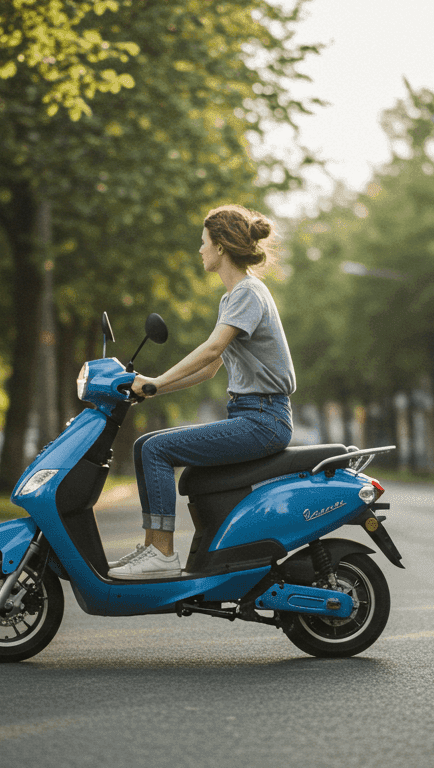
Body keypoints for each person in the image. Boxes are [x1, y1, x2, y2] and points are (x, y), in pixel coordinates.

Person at [108, 204, 296, 579]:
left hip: (264, 418)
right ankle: (151, 548)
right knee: (146, 445)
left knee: (154, 448)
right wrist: (150, 388)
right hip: (253, 415)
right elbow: (211, 368)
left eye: (204, 242)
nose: (200, 250)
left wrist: (157, 381)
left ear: (221, 246)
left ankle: (161, 553)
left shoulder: (247, 293)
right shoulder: (235, 297)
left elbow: (210, 351)